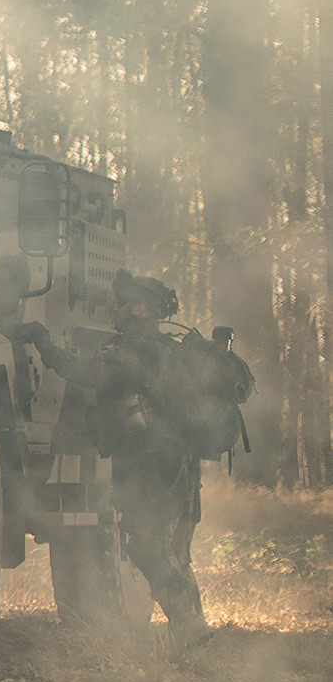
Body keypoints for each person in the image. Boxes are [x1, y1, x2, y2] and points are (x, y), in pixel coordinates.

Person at [100, 274, 252, 640]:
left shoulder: (131, 349)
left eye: (131, 303)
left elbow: (84, 374)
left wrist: (43, 342)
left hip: (151, 466)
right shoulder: (175, 349)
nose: (125, 309)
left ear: (140, 308)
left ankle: (190, 628)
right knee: (177, 552)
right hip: (182, 464)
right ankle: (193, 634)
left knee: (149, 547)